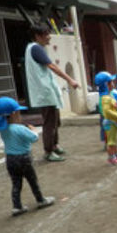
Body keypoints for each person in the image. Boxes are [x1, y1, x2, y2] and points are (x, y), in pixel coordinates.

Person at [24, 24, 79, 162]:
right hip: (45, 92)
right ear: (38, 36)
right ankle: (48, 151)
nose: (49, 37)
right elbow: (52, 67)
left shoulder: (35, 48)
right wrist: (70, 80)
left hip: (47, 92)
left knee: (55, 121)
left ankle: (54, 146)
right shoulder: (36, 48)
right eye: (46, 34)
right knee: (49, 123)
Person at [0, 97, 55, 216]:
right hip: (24, 158)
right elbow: (34, 138)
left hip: (10, 159)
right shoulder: (20, 128)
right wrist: (33, 130)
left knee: (16, 183)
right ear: (13, 114)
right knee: (32, 180)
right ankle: (40, 200)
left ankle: (17, 207)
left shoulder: (2, 129)